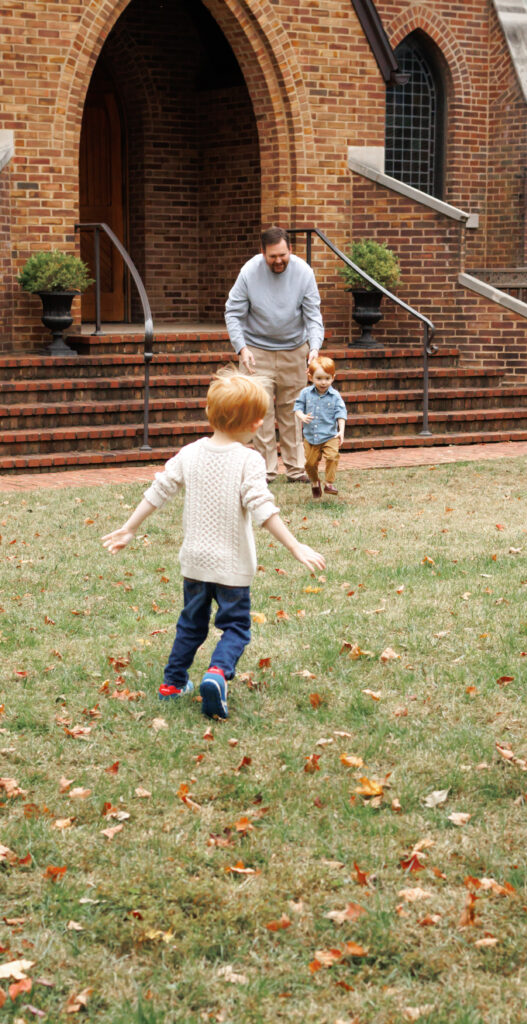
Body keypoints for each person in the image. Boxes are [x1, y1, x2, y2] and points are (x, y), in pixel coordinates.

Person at [101, 370, 325, 720]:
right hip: (231, 567)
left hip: (194, 563)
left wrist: (130, 528)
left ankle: (172, 683)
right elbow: (262, 507)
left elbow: (159, 490)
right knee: (235, 627)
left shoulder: (189, 453)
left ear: (211, 413)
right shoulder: (249, 459)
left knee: (191, 624)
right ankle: (217, 673)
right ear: (255, 424)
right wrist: (295, 546)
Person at [225, 226, 324, 483]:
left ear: (290, 249)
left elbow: (313, 316)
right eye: (272, 256)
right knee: (261, 412)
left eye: (283, 255)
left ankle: (295, 469)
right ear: (262, 253)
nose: (278, 261)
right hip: (256, 351)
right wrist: (242, 348)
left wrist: (314, 349)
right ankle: (266, 471)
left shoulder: (304, 273)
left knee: (293, 411)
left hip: (294, 350)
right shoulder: (249, 272)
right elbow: (233, 313)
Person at [294, 355, 347, 498]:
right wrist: (302, 416)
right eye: (319, 379)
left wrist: (341, 431)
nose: (323, 382)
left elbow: (341, 413)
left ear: (333, 377)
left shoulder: (335, 396)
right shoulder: (305, 393)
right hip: (311, 437)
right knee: (310, 464)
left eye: (327, 378)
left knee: (332, 456)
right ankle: (314, 481)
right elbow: (297, 407)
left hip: (330, 435)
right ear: (311, 377)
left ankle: (329, 483)